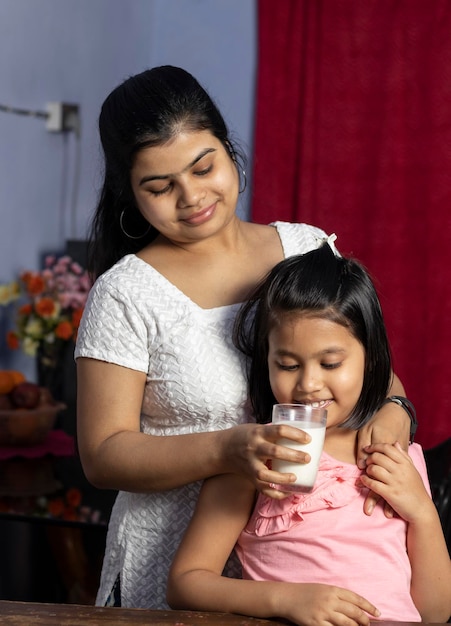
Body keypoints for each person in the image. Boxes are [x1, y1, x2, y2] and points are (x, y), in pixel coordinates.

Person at [75, 65, 413, 610]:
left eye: (203, 166)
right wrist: (227, 448)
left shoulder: (303, 248)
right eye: (159, 186)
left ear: (228, 150)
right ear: (130, 194)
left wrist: (395, 412)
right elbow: (102, 455)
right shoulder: (125, 294)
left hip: (306, 558)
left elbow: (369, 372)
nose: (190, 196)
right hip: (176, 564)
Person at [167, 243, 451, 624]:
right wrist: (286, 599)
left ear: (371, 359)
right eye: (287, 364)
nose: (309, 384)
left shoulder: (396, 453)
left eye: (330, 363)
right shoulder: (255, 457)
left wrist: (423, 514)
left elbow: (435, 613)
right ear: (265, 361)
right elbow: (185, 584)